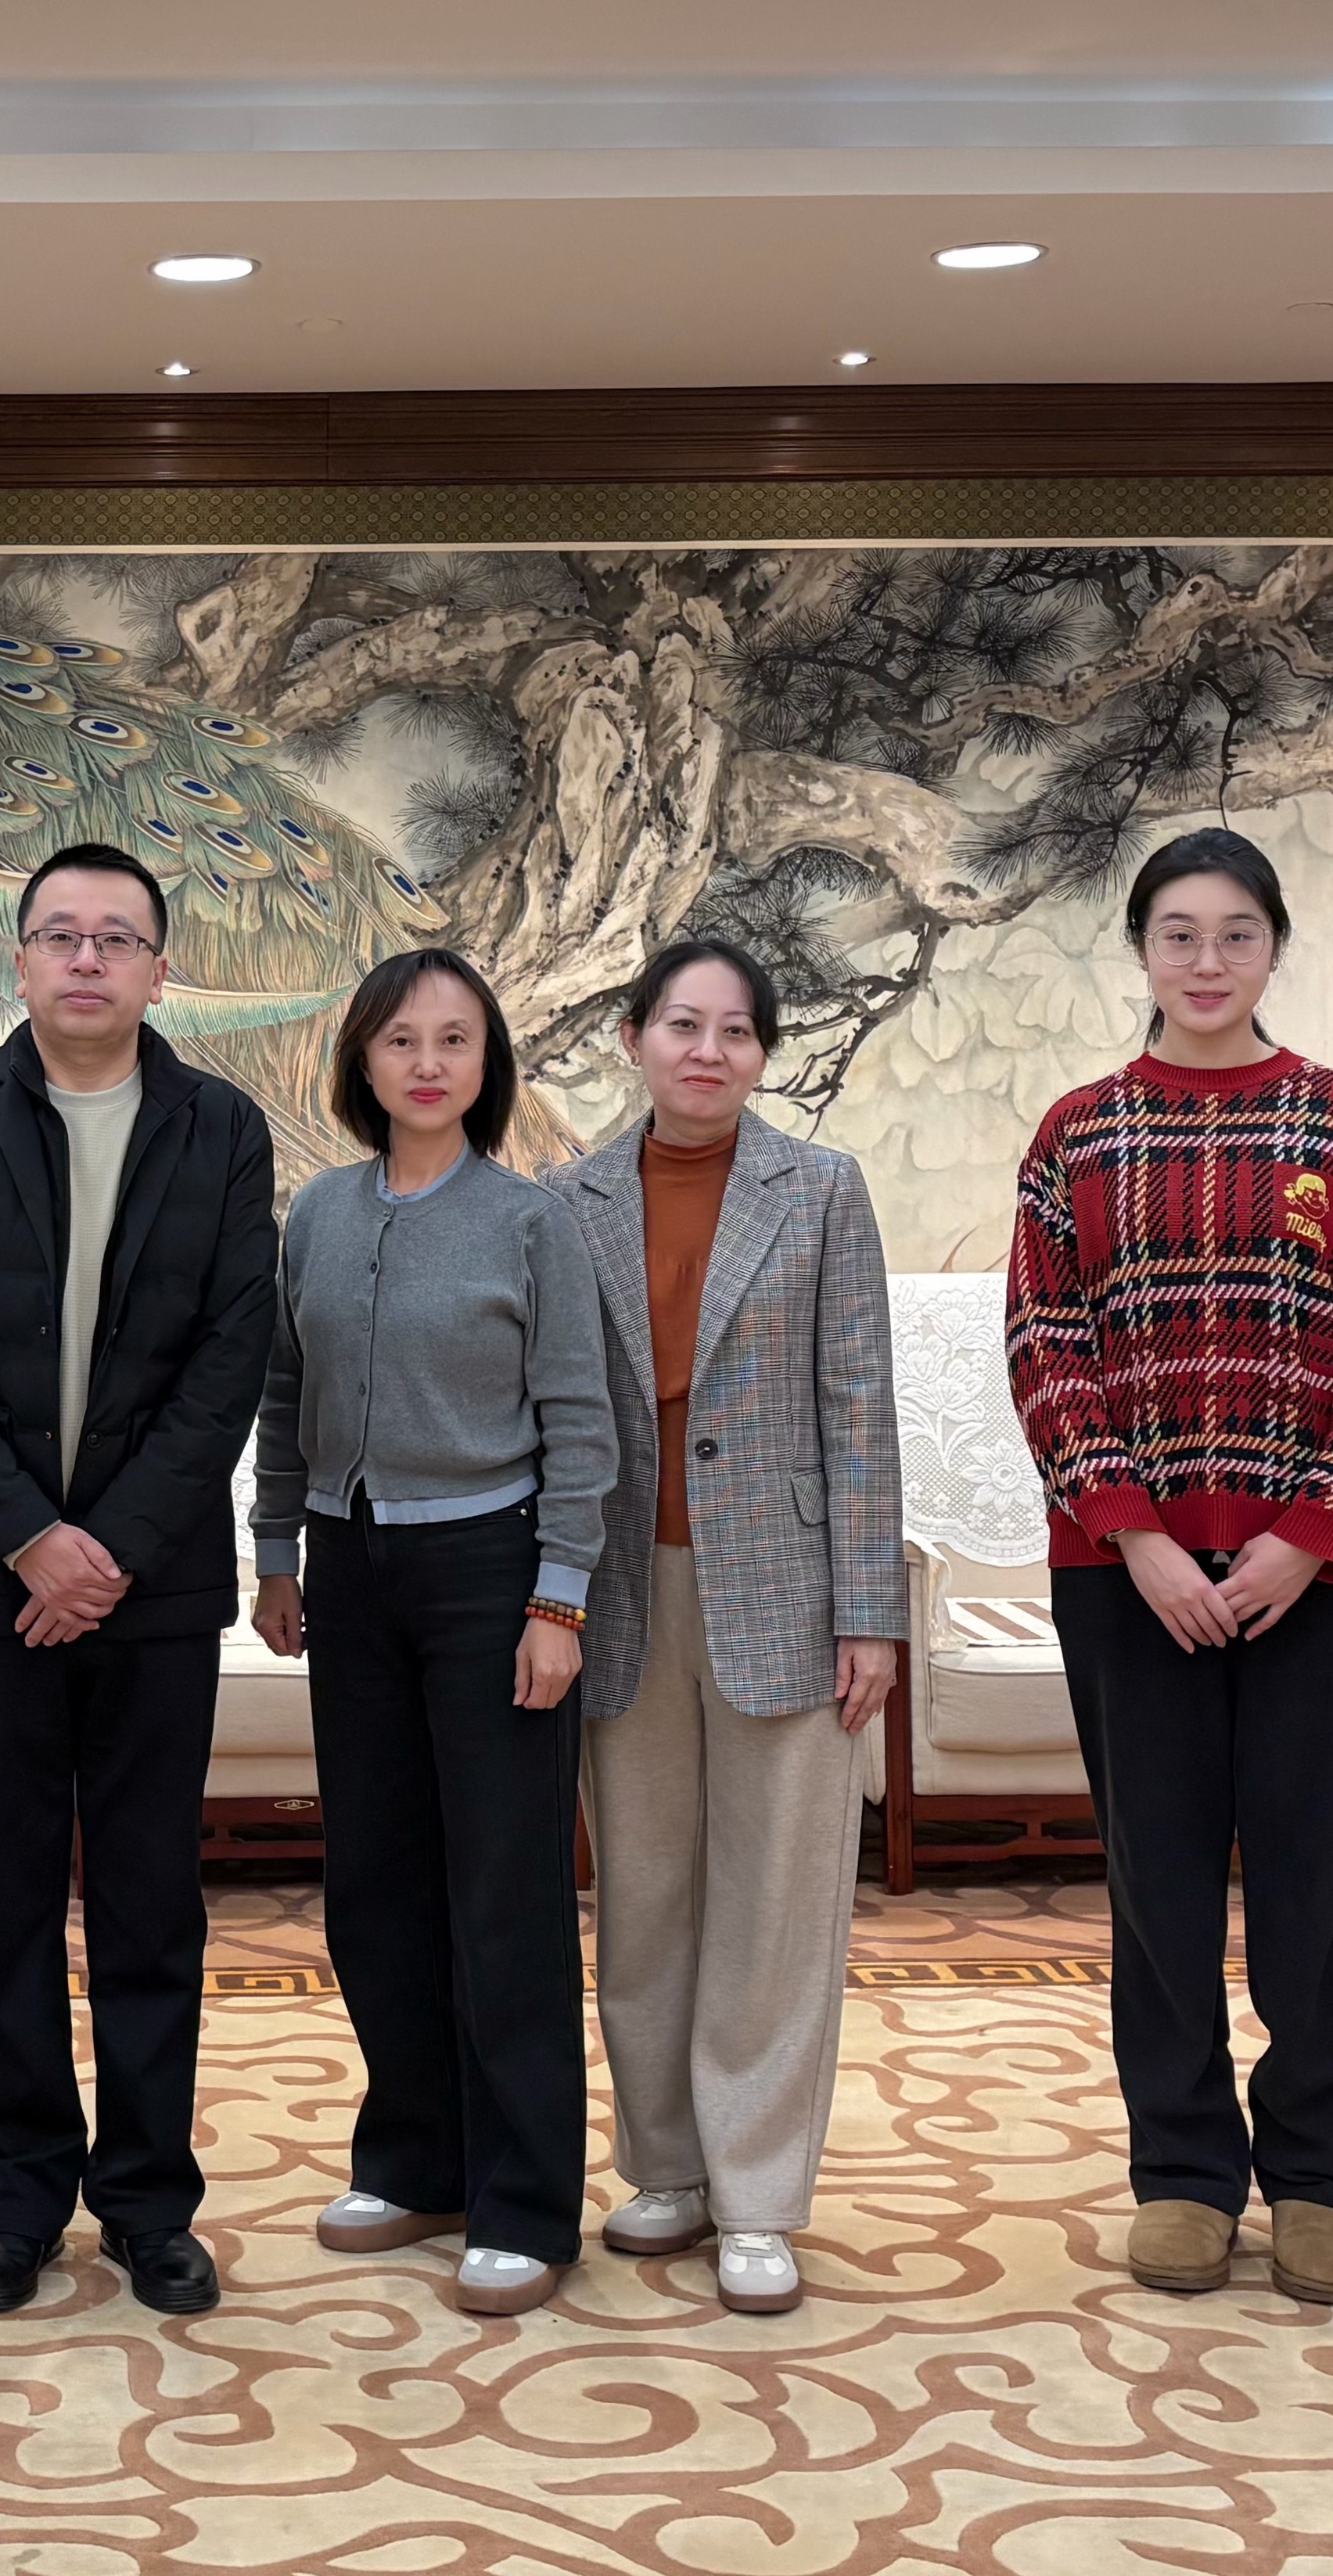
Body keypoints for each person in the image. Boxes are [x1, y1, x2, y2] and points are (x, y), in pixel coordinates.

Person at [1005, 826, 1333, 2310]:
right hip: (1128, 1575)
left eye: (1235, 934)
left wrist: (1309, 1537)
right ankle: (1183, 2174)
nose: (1207, 962)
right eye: (1179, 935)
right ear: (1142, 951)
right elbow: (1046, 1348)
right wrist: (1135, 1533)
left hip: (1325, 1578)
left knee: (1321, 1884)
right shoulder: (1079, 1134)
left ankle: (1322, 2177)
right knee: (1162, 1887)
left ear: (1273, 949)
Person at [0, 843, 278, 2318]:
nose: (88, 959)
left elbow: (230, 1356)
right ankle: (14, 2205)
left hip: (151, 1589)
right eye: (61, 935)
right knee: (3, 1902)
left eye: (118, 938)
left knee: (149, 1903)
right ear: (20, 962)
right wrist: (26, 1537)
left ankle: (150, 2206)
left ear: (160, 970)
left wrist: (105, 1549)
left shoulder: (222, 1127)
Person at [542, 938, 905, 2316]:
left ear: (762, 1053)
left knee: (774, 1901)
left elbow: (859, 1406)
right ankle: (667, 2166)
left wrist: (871, 1612)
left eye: (736, 1031)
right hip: (620, 1587)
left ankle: (756, 2192)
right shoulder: (566, 1200)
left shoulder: (821, 1190)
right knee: (644, 1895)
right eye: (682, 1025)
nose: (708, 1052)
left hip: (787, 1589)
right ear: (633, 1038)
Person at [250, 949, 613, 2315]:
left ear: (486, 1064)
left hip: (490, 1571)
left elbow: (580, 1421)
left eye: (455, 1040)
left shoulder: (531, 1223)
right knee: (376, 1882)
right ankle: (415, 2161)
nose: (427, 1063)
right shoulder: (319, 1214)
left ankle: (524, 2201)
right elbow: (284, 1394)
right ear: (361, 1058)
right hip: (349, 1569)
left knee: (504, 1892)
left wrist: (558, 1599)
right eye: (401, 1039)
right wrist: (275, 1552)